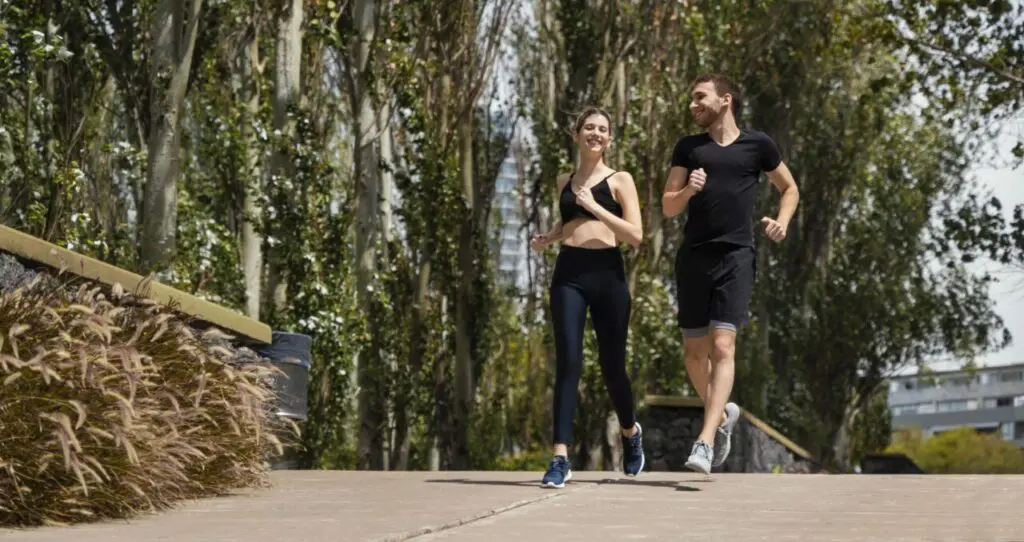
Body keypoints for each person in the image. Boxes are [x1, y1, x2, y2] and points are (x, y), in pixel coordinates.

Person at [661, 73, 799, 474]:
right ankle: (721, 417)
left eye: (699, 96)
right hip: (693, 258)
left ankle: (704, 442)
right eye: (691, 98)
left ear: (725, 100)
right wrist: (687, 191)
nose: (692, 104)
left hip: (737, 256)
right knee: (693, 352)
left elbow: (789, 188)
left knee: (723, 345)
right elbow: (669, 206)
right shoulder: (689, 148)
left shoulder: (758, 146)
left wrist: (783, 222)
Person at [530, 106, 646, 488]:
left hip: (608, 275)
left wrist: (595, 205)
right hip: (570, 274)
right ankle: (560, 457)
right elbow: (569, 224)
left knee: (612, 366)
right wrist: (550, 237)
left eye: (603, 130)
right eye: (590, 128)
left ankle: (630, 433)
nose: (596, 134)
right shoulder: (564, 179)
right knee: (569, 361)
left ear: (609, 139)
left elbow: (635, 235)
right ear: (576, 134)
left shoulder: (620, 180)